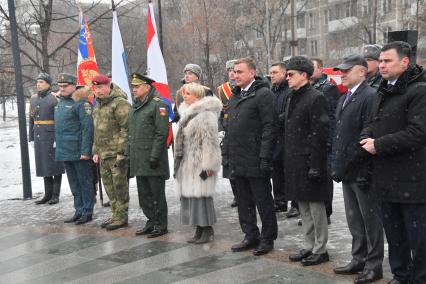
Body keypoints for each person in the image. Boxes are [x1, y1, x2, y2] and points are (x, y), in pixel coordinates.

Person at [360, 41, 426, 284]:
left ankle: (419, 278)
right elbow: (372, 121)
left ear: (405, 62)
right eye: (381, 60)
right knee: (394, 234)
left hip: (413, 180)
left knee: (418, 237)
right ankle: (401, 274)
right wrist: (365, 136)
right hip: (386, 178)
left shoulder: (419, 90)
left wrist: (379, 144)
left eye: (388, 60)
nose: (382, 65)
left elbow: (418, 132)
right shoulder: (383, 89)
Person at [331, 55, 384, 284]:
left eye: (347, 70)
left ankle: (374, 265)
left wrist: (358, 165)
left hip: (363, 170)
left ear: (361, 72)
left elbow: (367, 134)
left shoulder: (370, 96)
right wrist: (338, 163)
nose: (342, 74)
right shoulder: (345, 98)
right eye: (341, 70)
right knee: (354, 219)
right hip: (348, 169)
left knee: (370, 221)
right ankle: (358, 258)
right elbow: (340, 134)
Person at [222, 57, 277, 256]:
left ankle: (267, 238)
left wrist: (264, 156)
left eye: (240, 72)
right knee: (243, 201)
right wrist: (226, 154)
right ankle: (250, 235)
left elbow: (270, 127)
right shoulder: (235, 95)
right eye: (234, 72)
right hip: (238, 158)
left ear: (252, 73)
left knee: (263, 201)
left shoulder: (263, 94)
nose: (235, 75)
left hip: (255, 158)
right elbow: (230, 128)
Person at [284, 56, 330, 266]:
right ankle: (309, 244)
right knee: (303, 206)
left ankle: (321, 249)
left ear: (304, 75)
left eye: (291, 74)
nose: (287, 78)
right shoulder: (292, 97)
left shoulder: (315, 97)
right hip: (295, 161)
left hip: (310, 162)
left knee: (316, 208)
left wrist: (315, 165)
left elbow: (319, 134)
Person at [174, 82, 222, 244]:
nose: (184, 96)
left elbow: (211, 142)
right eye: (184, 93)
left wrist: (209, 166)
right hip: (188, 163)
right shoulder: (186, 113)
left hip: (201, 163)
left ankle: (208, 230)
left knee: (202, 197)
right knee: (193, 197)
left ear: (197, 96)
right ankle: (199, 229)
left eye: (188, 93)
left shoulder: (206, 115)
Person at [128, 72, 170, 238]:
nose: (134, 90)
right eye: (133, 87)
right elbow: (131, 134)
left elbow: (161, 133)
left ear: (147, 87)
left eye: (137, 87)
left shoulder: (158, 105)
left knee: (156, 195)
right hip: (139, 159)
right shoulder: (135, 107)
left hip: (153, 160)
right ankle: (151, 221)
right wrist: (128, 154)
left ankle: (161, 224)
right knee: (144, 195)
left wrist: (154, 156)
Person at [92, 74, 131, 231]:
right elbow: (97, 130)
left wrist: (121, 151)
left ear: (109, 86)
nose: (98, 91)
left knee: (119, 186)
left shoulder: (119, 103)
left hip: (116, 154)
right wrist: (95, 150)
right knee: (109, 186)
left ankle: (122, 216)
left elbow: (126, 129)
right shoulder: (98, 105)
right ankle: (115, 213)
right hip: (103, 154)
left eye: (101, 87)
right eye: (95, 88)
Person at [54, 73, 95, 224]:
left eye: (65, 86)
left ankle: (87, 211)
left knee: (85, 182)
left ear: (73, 86)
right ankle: (78, 210)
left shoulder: (81, 103)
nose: (62, 89)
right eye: (60, 86)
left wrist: (86, 151)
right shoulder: (60, 102)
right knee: (74, 183)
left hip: (79, 150)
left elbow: (87, 129)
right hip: (65, 150)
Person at [311, 58, 341, 224]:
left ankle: (326, 212)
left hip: (325, 141)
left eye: (312, 67)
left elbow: (330, 117)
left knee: (324, 178)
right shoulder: (308, 88)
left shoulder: (328, 88)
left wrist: (329, 140)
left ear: (321, 69)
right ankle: (317, 213)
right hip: (313, 140)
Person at [29, 72, 65, 205]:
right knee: (44, 165)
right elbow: (31, 120)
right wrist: (31, 137)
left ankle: (55, 195)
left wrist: (57, 138)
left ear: (48, 84)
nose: (38, 84)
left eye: (41, 82)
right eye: (38, 82)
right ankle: (47, 194)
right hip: (39, 136)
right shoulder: (33, 99)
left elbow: (59, 120)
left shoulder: (54, 99)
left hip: (51, 136)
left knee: (55, 166)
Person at [269, 61, 292, 213]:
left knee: (289, 172)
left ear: (284, 73)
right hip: (275, 138)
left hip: (287, 137)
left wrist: (273, 120)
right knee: (276, 172)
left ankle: (295, 203)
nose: (272, 76)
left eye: (275, 72)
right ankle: (279, 201)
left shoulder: (289, 91)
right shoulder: (272, 91)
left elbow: (288, 113)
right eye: (270, 73)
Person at [216, 59, 238, 208]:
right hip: (227, 128)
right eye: (229, 70)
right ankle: (236, 195)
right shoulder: (221, 89)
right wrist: (221, 129)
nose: (232, 73)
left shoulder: (246, 87)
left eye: (234, 70)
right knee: (229, 166)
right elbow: (218, 111)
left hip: (242, 128)